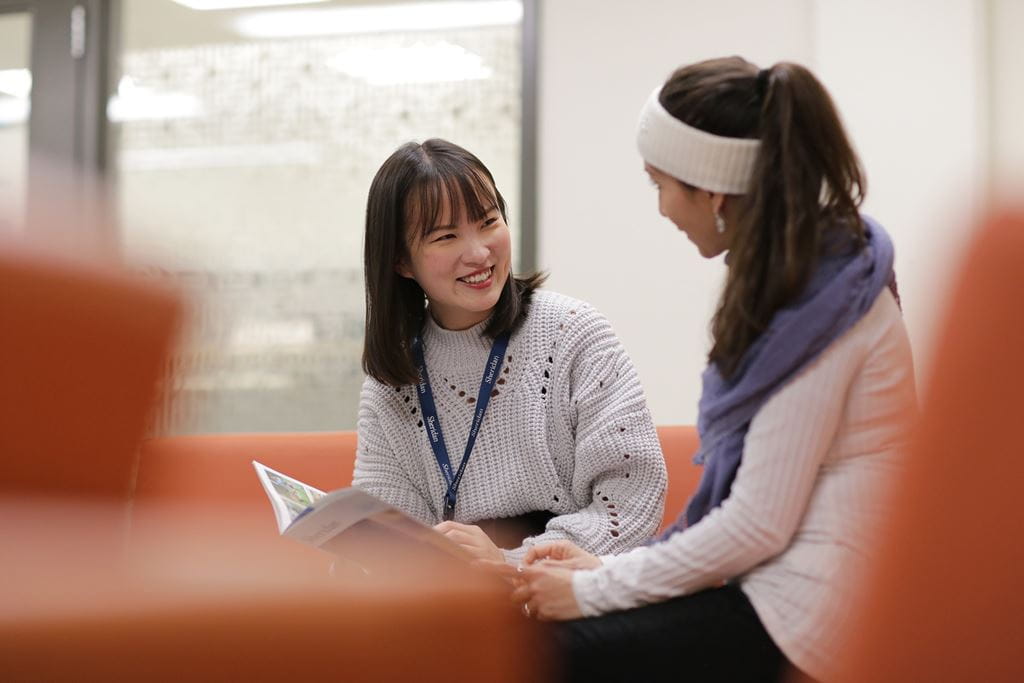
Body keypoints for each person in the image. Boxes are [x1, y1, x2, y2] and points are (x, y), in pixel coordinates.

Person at [509, 57, 918, 682]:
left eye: (660, 185)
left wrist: (590, 593)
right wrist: (604, 572)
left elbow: (755, 522)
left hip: (816, 610)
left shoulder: (816, 304)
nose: (663, 208)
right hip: (792, 586)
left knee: (543, 655)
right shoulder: (816, 274)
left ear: (713, 190)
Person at [352, 138, 667, 566]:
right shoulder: (393, 378)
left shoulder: (573, 333)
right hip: (459, 605)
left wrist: (510, 561)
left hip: (573, 587)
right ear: (402, 262)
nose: (479, 252)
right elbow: (392, 532)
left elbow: (632, 500)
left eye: (488, 221)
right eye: (446, 236)